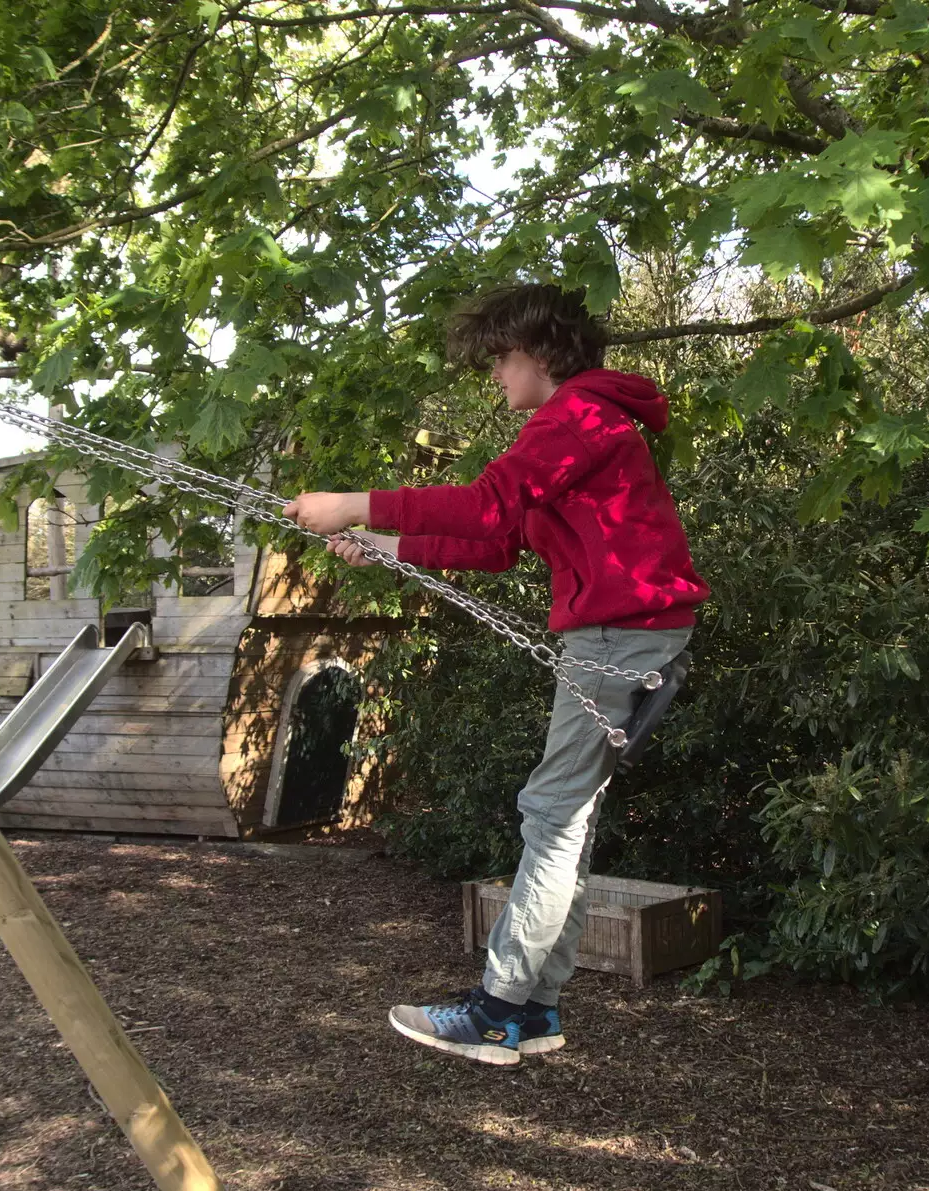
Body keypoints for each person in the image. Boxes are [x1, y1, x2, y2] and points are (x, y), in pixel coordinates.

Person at [283, 282, 709, 1066]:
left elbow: (483, 506)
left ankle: (496, 1011)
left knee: (550, 816)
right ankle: (535, 1009)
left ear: (538, 354)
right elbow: (495, 540)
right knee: (566, 822)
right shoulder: (579, 424)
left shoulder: (579, 415)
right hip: (623, 632)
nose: (494, 377)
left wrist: (353, 502)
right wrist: (381, 543)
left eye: (500, 361)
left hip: (620, 632)